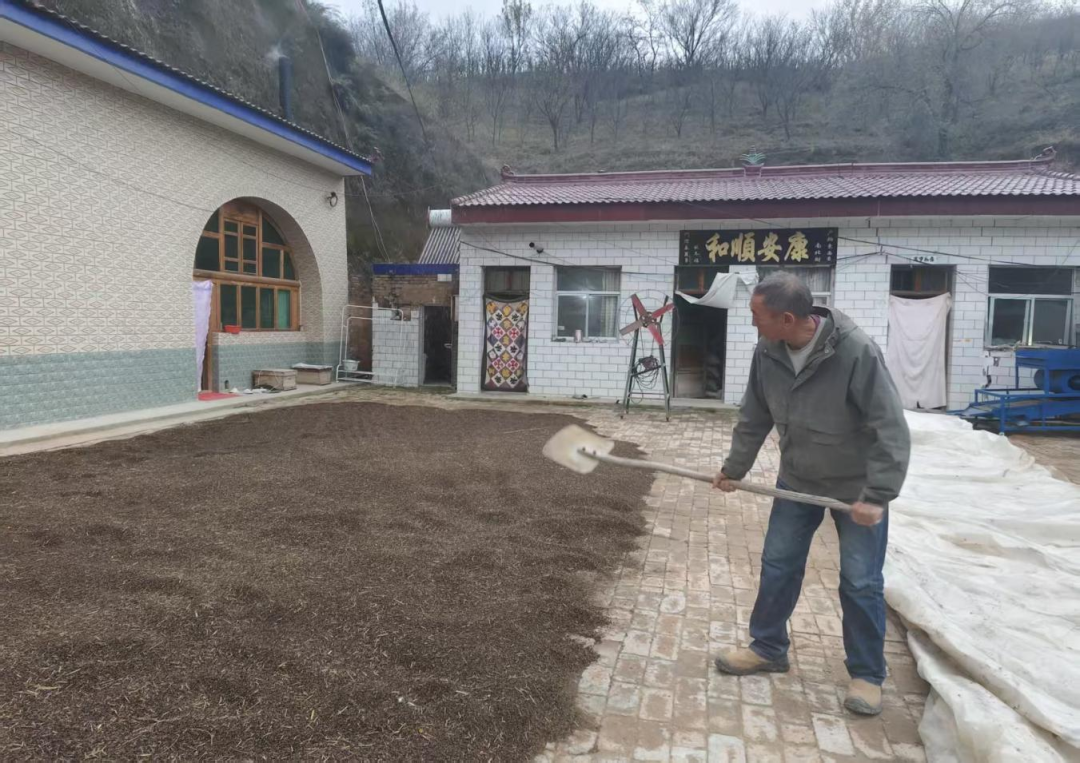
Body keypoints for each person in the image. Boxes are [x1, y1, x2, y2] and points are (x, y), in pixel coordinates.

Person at [712, 271, 910, 716]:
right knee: (778, 565)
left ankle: (867, 674)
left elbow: (890, 428)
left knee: (860, 581)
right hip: (797, 480)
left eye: (757, 315)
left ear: (787, 318)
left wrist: (878, 494)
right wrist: (734, 468)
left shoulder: (855, 352)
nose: (752, 323)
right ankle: (768, 648)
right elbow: (754, 414)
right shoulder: (768, 349)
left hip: (855, 488)